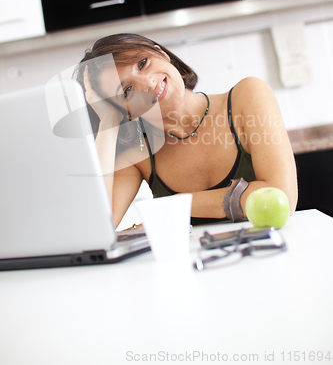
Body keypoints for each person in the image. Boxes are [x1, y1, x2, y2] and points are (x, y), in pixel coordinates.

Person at [74, 33, 298, 228]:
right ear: (126, 112)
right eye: (127, 91)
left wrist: (173, 205)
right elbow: (98, 227)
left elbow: (282, 196)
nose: (148, 83)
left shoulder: (247, 96)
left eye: (142, 63)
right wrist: (108, 121)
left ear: (161, 53)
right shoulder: (139, 154)